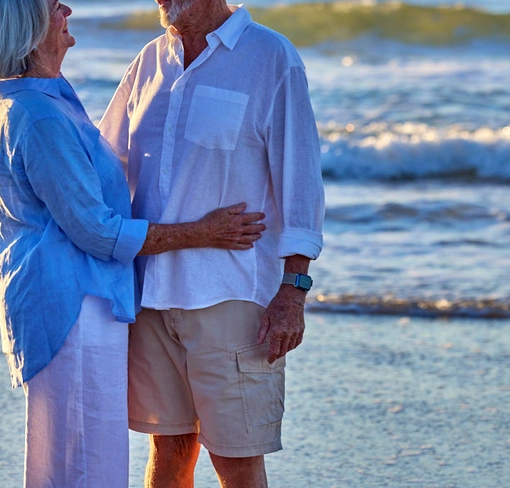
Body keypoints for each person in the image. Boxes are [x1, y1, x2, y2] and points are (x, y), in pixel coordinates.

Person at [0, 0, 267, 486]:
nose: (67, 9)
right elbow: (98, 231)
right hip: (73, 307)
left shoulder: (49, 98)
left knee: (76, 456)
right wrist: (202, 232)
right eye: (52, 5)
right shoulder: (39, 115)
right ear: (30, 29)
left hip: (83, 300)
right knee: (84, 463)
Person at [99, 0, 326, 485]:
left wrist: (294, 291)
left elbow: (300, 182)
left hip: (230, 296)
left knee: (237, 458)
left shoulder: (270, 57)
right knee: (169, 446)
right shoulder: (149, 61)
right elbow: (106, 162)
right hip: (149, 296)